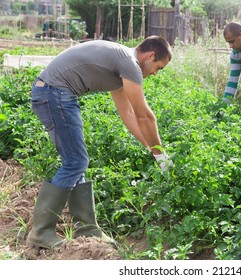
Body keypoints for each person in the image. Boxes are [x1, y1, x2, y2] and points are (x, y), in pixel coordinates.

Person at [27, 36, 174, 249]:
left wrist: (149, 147)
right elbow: (145, 116)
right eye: (158, 67)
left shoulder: (121, 64)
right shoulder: (130, 63)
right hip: (54, 92)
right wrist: (161, 155)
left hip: (54, 92)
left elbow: (128, 113)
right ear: (150, 55)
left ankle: (86, 228)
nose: (155, 73)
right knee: (76, 162)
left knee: (77, 162)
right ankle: (41, 232)